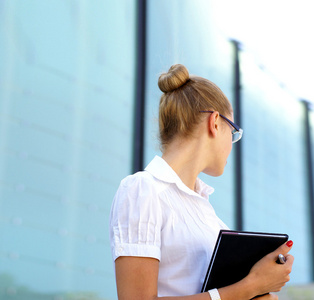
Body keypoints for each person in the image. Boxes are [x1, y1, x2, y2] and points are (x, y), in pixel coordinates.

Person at [109, 64, 294, 300]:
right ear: (215, 122)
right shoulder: (143, 190)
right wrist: (249, 287)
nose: (232, 145)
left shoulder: (209, 216)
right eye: (233, 132)